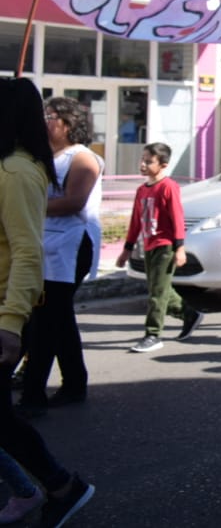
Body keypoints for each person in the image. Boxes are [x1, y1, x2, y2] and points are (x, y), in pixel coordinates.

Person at [0, 78, 94, 527]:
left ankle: (57, 485)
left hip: (16, 293)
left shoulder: (19, 170)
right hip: (24, 283)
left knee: (4, 420)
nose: (49, 122)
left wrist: (10, 322)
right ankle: (44, 486)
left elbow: (25, 248)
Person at [19, 98, 103, 417]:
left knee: (46, 321)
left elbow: (74, 202)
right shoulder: (43, 156)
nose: (44, 121)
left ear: (67, 124)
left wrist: (27, 205)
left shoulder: (82, 158)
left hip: (71, 246)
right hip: (46, 245)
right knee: (59, 319)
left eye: (50, 116)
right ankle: (74, 383)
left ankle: (34, 392)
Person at [114, 142, 203, 353]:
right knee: (159, 288)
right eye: (142, 160)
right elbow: (136, 221)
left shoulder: (168, 187)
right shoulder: (142, 190)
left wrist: (180, 248)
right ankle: (190, 315)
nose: (143, 164)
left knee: (156, 292)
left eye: (148, 161)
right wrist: (127, 249)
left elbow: (177, 219)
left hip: (166, 246)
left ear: (163, 164)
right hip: (149, 245)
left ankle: (153, 334)